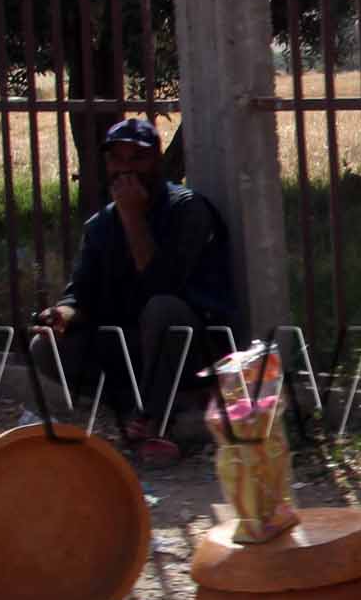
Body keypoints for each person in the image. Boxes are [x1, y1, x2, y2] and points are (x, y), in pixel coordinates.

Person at [32, 117, 239, 465]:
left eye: (137, 158)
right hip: (132, 351)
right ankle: (133, 408)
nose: (126, 169)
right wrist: (61, 315)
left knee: (163, 309)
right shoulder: (99, 227)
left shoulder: (187, 210)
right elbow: (79, 295)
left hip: (193, 349)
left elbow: (163, 284)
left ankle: (159, 423)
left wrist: (133, 218)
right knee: (46, 346)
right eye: (117, 159)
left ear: (156, 160)